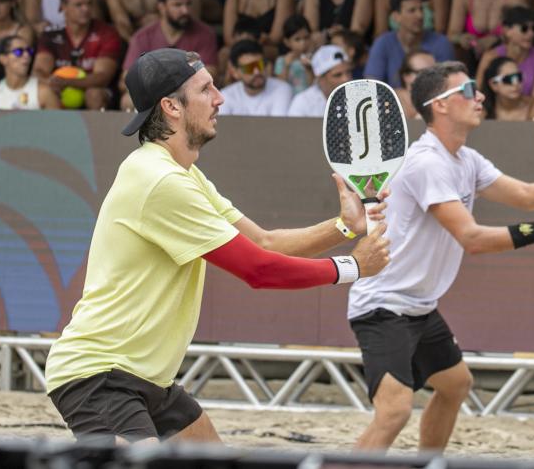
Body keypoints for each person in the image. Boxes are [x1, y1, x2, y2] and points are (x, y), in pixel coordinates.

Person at [44, 47, 390, 444]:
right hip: (98, 374)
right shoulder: (160, 180)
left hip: (147, 377)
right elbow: (258, 270)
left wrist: (343, 227)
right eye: (206, 89)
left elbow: (264, 241)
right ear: (171, 106)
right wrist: (353, 267)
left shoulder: (181, 173)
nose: (220, 98)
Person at [349, 60, 534, 453]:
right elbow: (472, 238)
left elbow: (526, 195)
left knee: (456, 385)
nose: (479, 96)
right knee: (394, 413)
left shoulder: (466, 160)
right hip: (383, 305)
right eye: (467, 90)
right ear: (440, 105)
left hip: (418, 306)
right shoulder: (426, 162)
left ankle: (428, 462)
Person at [120, 0, 218, 110]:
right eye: (177, 5)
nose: (185, 11)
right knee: (128, 100)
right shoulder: (142, 37)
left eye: (188, 4)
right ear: (161, 7)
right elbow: (127, 78)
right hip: (153, 94)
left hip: (190, 93)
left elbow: (210, 73)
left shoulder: (205, 34)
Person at [34, 0, 121, 111]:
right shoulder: (50, 35)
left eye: (89, 4)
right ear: (63, 6)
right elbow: (39, 71)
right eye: (79, 5)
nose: (85, 9)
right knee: (45, 91)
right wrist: (51, 82)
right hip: (60, 92)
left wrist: (67, 82)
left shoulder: (106, 33)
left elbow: (103, 77)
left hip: (96, 91)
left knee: (94, 94)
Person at [365, 0, 454, 88]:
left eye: (421, 9)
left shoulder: (441, 43)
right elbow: (371, 86)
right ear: (396, 17)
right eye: (412, 10)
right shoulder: (383, 43)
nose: (420, 15)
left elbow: (447, 87)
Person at [476, 6, 534, 115]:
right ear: (507, 31)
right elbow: (479, 93)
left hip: (526, 115)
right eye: (524, 29)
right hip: (495, 114)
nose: (531, 34)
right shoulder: (490, 57)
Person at [0, 35, 58, 109]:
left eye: (29, 51)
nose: (26, 55)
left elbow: (57, 119)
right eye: (18, 52)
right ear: (3, 59)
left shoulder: (44, 92)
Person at [219, 39, 293, 116]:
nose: (257, 72)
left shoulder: (282, 89)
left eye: (260, 65)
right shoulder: (225, 96)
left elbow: (278, 123)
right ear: (235, 73)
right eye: (249, 68)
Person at [287, 44, 351, 117]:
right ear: (320, 78)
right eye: (337, 75)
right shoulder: (302, 102)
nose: (346, 79)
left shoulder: (358, 97)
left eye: (348, 72)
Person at [482, 56, 534, 120]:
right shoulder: (481, 111)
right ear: (493, 85)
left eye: (518, 77)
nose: (515, 84)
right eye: (508, 79)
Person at [274, 14, 313, 96]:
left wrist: (309, 70)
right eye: (297, 39)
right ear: (287, 42)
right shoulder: (281, 61)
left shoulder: (315, 59)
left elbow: (313, 87)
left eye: (306, 37)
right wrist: (286, 67)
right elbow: (280, 87)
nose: (303, 43)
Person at [394, 50, 435, 119]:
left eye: (434, 72)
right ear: (406, 76)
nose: (432, 77)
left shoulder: (440, 100)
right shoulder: (391, 100)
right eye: (423, 72)